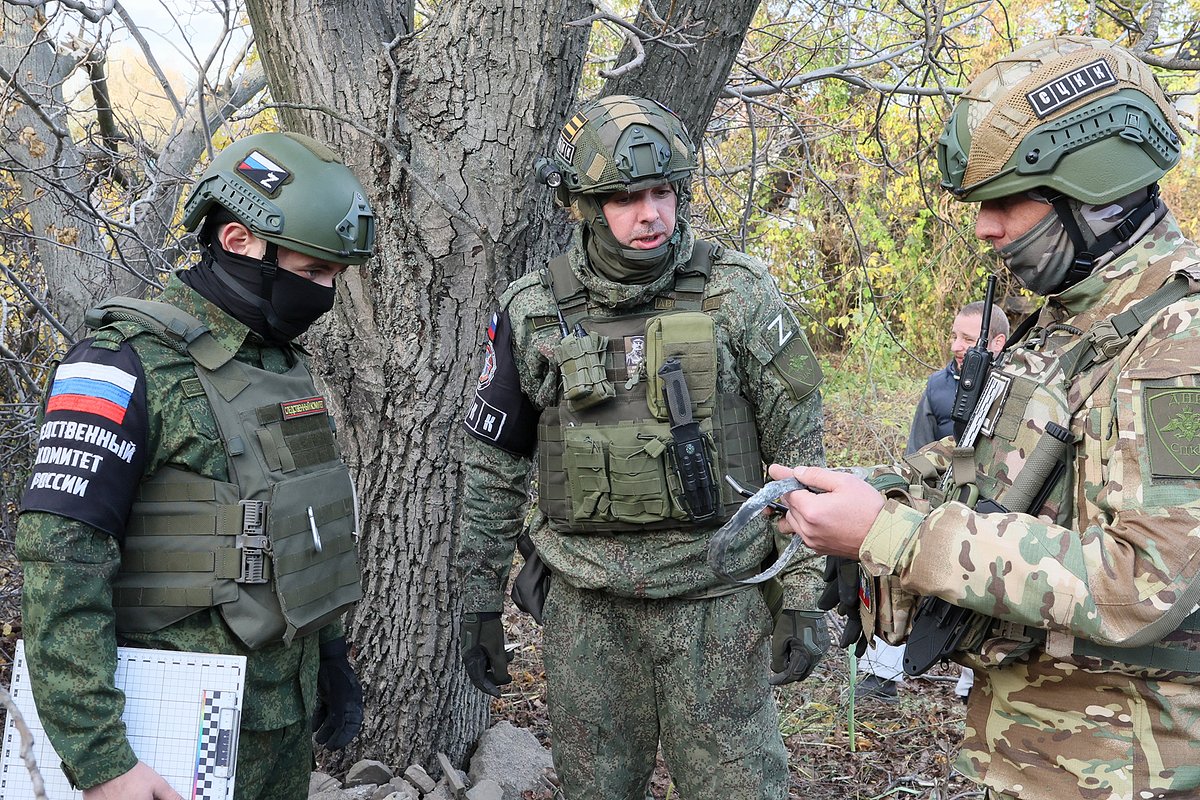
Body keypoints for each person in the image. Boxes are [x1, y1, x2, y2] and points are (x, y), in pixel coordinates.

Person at [769, 36, 1200, 799]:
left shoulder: (1181, 349)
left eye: (1007, 202)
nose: (985, 229)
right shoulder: (1072, 324)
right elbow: (988, 477)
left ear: (1096, 193)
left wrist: (892, 533)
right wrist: (872, 493)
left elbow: (1144, 583)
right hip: (1031, 746)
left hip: (1133, 765)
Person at [456, 95, 827, 800]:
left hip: (716, 602)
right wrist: (478, 600)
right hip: (587, 609)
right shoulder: (533, 309)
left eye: (663, 192)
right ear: (583, 207)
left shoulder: (739, 295)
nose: (651, 214)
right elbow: (493, 470)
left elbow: (799, 459)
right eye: (625, 197)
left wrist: (803, 595)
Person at [17, 131, 375, 800]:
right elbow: (61, 565)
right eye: (315, 273)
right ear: (239, 241)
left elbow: (299, 526)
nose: (327, 295)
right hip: (170, 727)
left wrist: (327, 656)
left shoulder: (275, 361)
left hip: (278, 721)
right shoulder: (119, 363)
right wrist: (102, 763)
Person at [858, 301, 1010, 703]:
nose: (956, 345)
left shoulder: (1015, 387)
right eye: (954, 335)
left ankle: (969, 682)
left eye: (967, 337)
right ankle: (881, 671)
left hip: (992, 506)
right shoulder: (938, 386)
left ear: (997, 342)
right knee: (899, 573)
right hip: (936, 495)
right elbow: (918, 447)